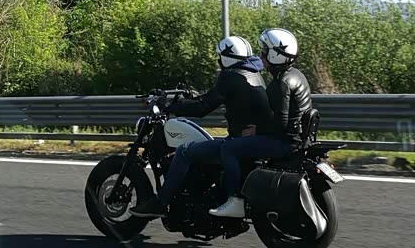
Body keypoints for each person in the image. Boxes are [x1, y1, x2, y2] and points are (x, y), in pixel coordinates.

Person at [130, 35, 274, 218]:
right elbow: (215, 97)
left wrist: (169, 106)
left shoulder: (230, 77)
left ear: (226, 57)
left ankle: (161, 203)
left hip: (238, 141)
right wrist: (195, 97)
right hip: (255, 139)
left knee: (184, 151)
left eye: (220, 56)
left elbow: (202, 108)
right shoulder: (253, 73)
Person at [208, 27, 312, 218]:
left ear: (275, 55)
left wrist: (257, 130)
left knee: (230, 148)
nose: (261, 56)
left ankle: (235, 200)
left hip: (285, 143)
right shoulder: (297, 74)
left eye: (265, 52)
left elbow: (280, 123)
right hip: (298, 139)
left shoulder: (281, 83)